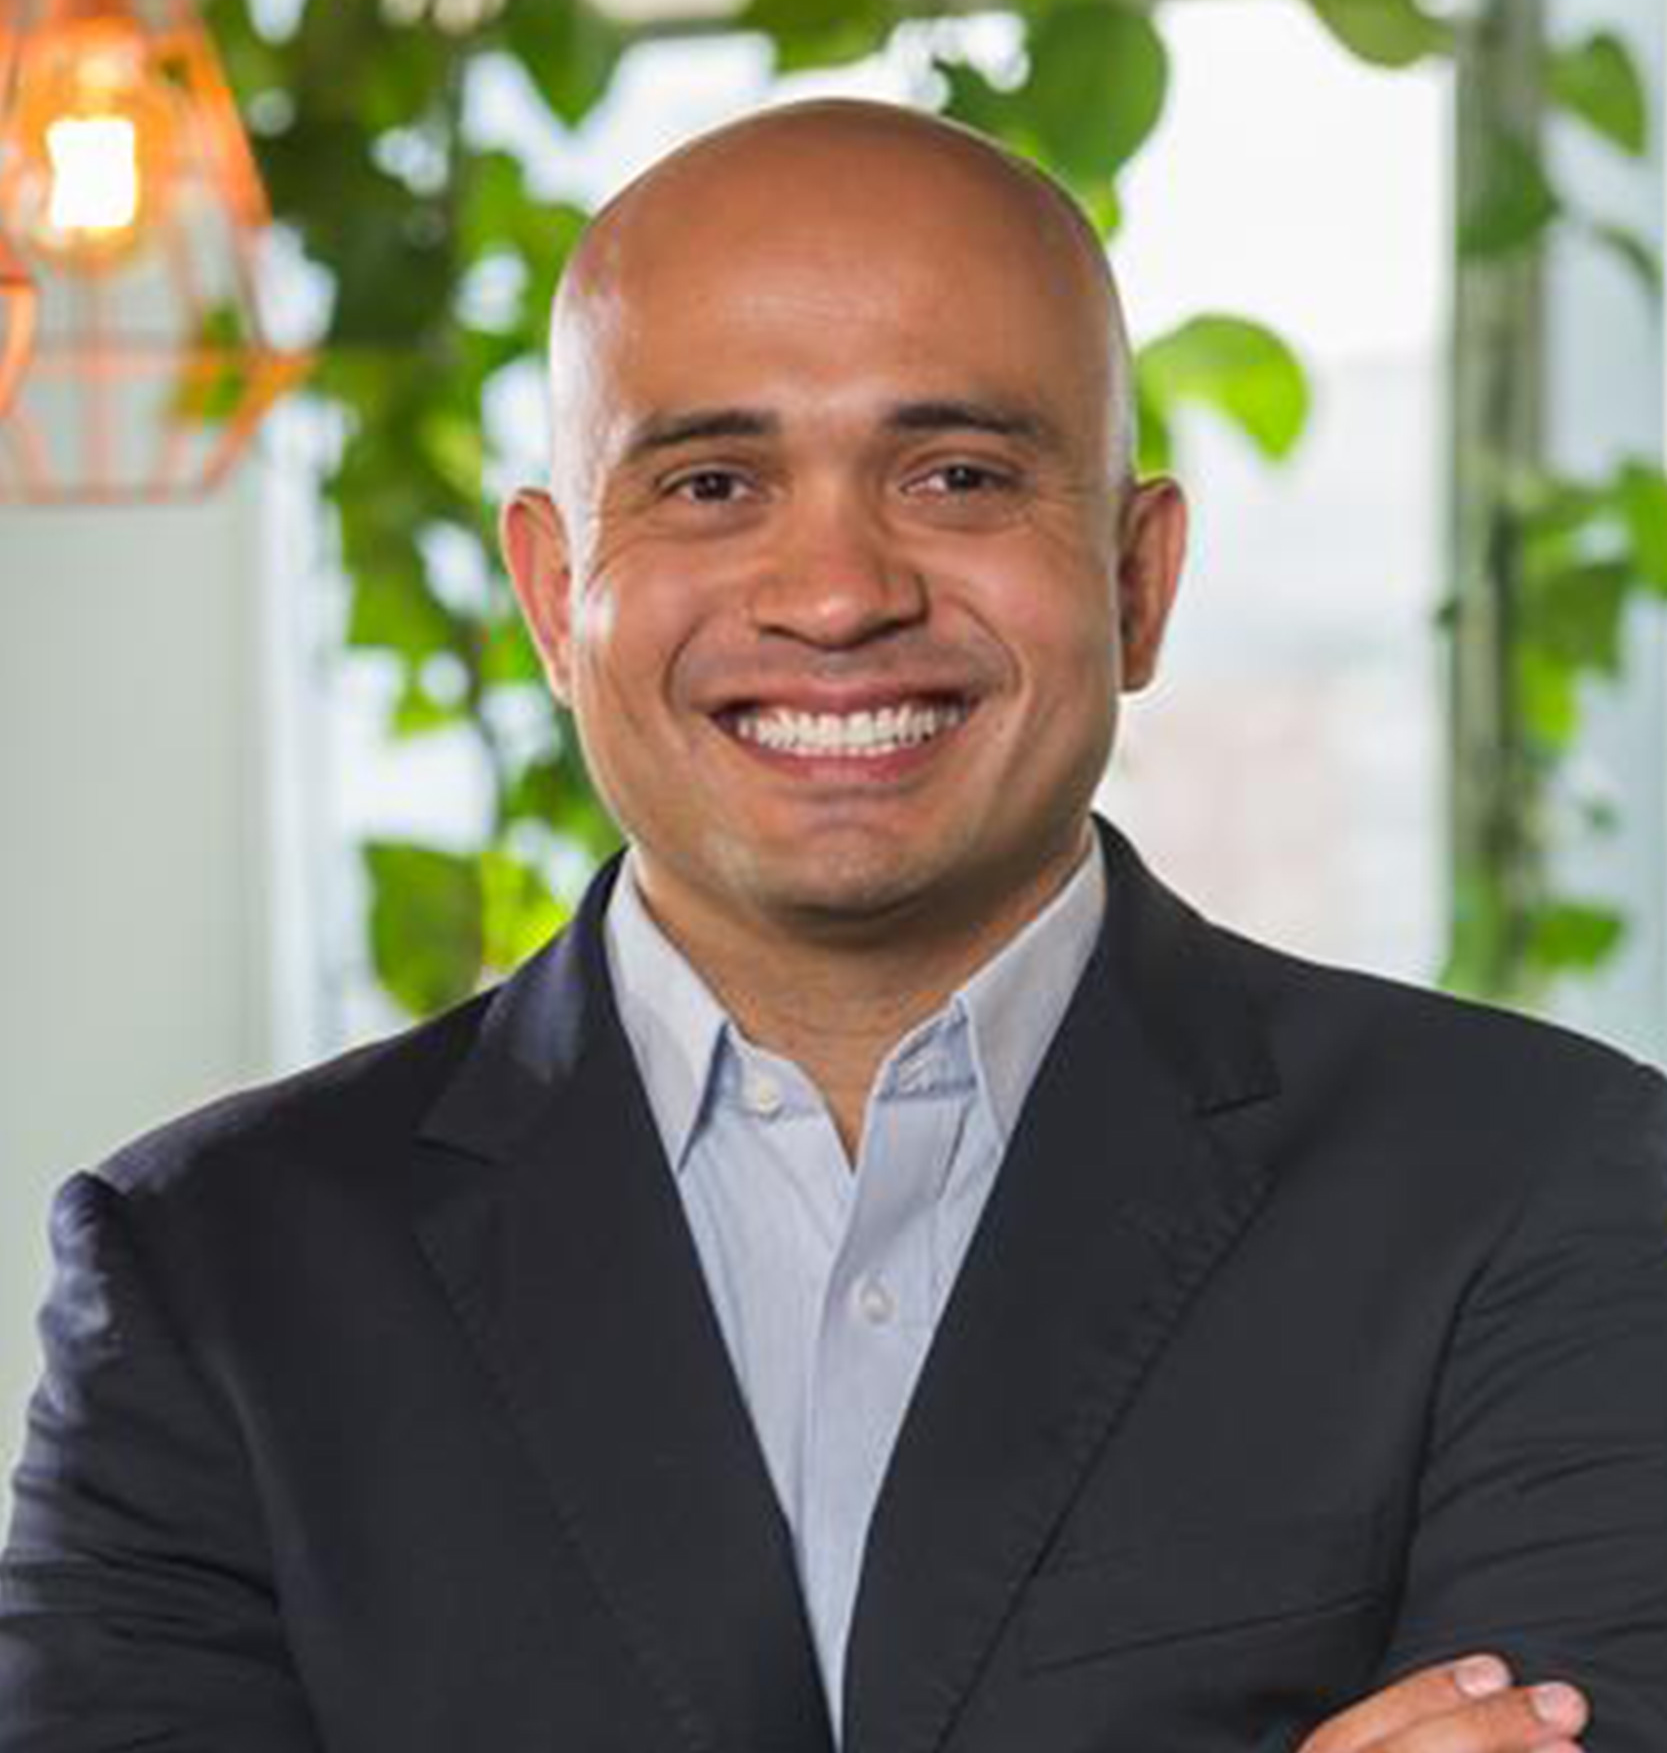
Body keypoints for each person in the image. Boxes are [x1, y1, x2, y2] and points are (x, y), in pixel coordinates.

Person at [1, 96, 1662, 1753]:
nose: (839, 594)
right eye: (713, 482)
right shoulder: (212, 1274)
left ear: (1138, 577)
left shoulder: (1541, 1185)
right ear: (554, 599)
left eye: (959, 476)